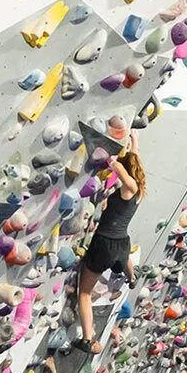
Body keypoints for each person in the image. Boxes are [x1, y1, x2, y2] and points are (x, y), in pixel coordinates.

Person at [73, 133, 146, 348]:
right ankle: (131, 278)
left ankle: (87, 338)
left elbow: (120, 169)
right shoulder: (141, 189)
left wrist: (107, 155)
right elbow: (134, 160)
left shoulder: (130, 188)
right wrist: (134, 139)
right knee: (124, 258)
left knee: (84, 293)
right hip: (121, 243)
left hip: (104, 243)